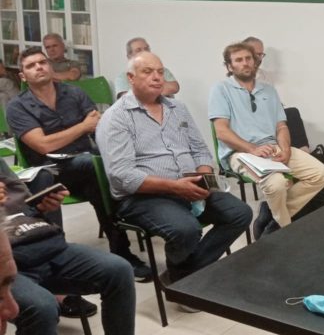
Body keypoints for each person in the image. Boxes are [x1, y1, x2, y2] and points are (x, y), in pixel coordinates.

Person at [97, 51, 251, 284]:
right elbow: (123, 176)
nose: (157, 77)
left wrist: (204, 178)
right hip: (143, 196)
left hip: (189, 186)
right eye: (147, 72)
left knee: (239, 213)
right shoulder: (116, 117)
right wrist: (175, 187)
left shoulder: (177, 108)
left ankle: (181, 276)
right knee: (186, 229)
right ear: (130, 78)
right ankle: (186, 279)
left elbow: (200, 150)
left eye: (160, 72)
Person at [0, 162, 152, 335]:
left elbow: (22, 206)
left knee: (119, 270)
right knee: (41, 307)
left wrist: (40, 206)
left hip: (41, 244)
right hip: (8, 266)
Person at [6, 47, 151, 283]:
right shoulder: (17, 106)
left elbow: (98, 127)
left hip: (84, 167)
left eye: (42, 62)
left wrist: (95, 136)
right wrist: (82, 127)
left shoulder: (73, 93)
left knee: (102, 169)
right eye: (31, 66)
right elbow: (43, 145)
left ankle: (121, 251)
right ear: (23, 76)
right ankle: (60, 256)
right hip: (47, 170)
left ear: (50, 67)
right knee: (94, 167)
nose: (39, 67)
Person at [209, 42, 324, 238]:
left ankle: (273, 215)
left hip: (273, 148)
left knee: (321, 174)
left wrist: (286, 150)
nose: (245, 63)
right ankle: (282, 230)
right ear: (229, 66)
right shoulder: (221, 89)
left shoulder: (269, 90)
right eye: (238, 60)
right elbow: (222, 132)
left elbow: (281, 126)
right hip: (240, 152)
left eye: (248, 58)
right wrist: (251, 149)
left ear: (255, 61)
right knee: (276, 184)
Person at [114, 37, 180, 99]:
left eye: (146, 49)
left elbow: (174, 88)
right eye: (138, 50)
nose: (144, 52)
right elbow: (128, 99)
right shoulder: (123, 77)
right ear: (129, 56)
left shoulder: (162, 70)